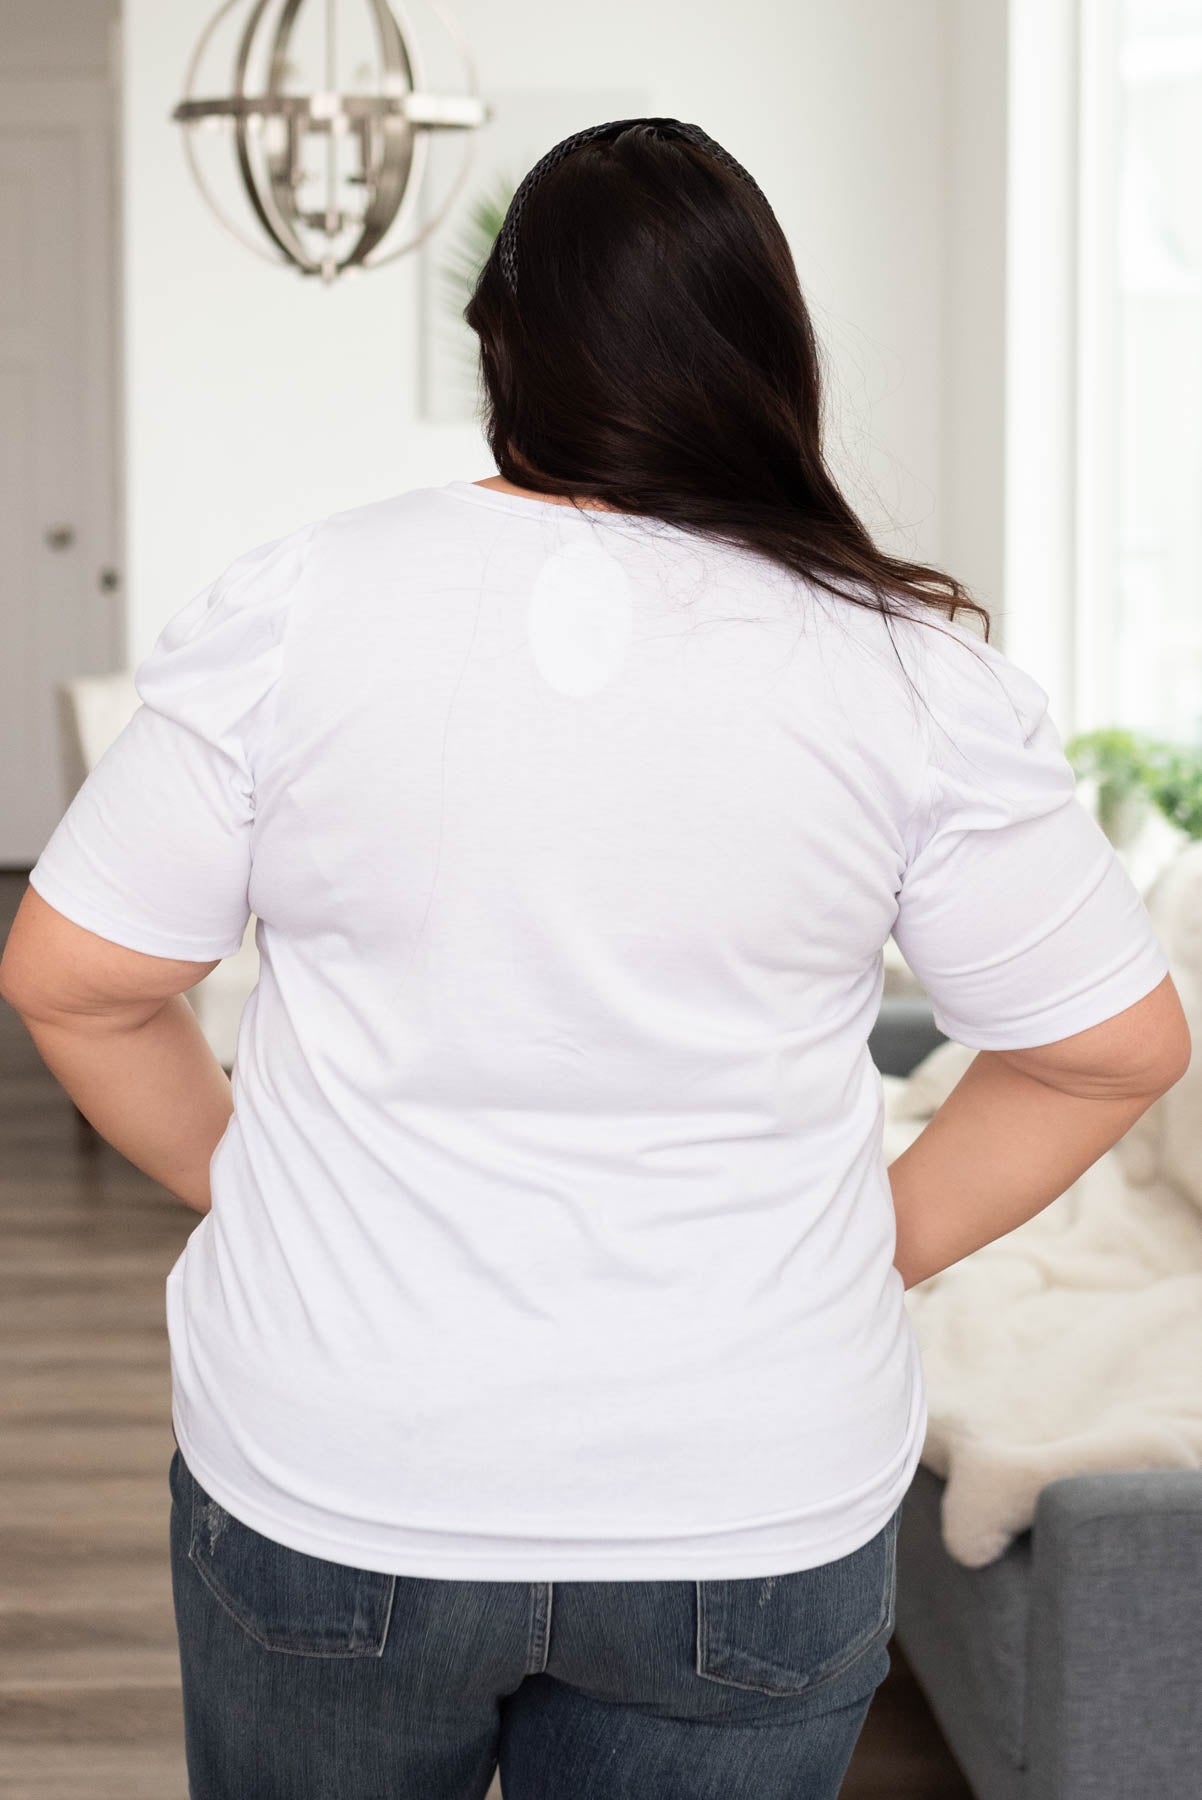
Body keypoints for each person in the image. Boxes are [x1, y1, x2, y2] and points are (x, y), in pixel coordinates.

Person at [0, 117, 1189, 1800]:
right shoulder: (903, 667)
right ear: (771, 353)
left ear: (501, 347)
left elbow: (73, 976)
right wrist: (875, 1240)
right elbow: (1111, 1046)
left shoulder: (300, 603)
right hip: (748, 1498)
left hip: (341, 1466)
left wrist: (245, 1179)